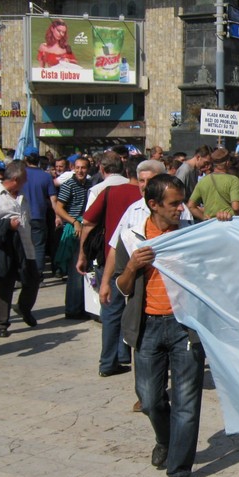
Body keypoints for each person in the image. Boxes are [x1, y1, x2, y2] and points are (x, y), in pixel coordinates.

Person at [115, 174, 220, 477]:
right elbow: (122, 286)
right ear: (153, 204)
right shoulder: (132, 237)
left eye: (182, 202)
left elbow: (215, 265)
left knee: (187, 403)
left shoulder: (189, 234)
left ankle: (180, 467)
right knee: (149, 399)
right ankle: (164, 439)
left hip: (184, 329)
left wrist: (223, 223)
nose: (181, 209)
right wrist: (133, 267)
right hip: (147, 327)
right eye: (174, 204)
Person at [78, 157, 143, 378]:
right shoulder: (150, 197)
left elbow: (88, 222)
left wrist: (82, 255)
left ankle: (108, 361)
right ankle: (124, 354)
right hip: (143, 262)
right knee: (135, 310)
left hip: (111, 259)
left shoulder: (108, 192)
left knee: (111, 310)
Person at [0, 161, 39, 338]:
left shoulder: (22, 195)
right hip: (5, 247)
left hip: (26, 245)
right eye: (24, 178)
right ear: (16, 179)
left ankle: (23, 307)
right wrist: (7, 225)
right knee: (4, 283)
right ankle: (2, 323)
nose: (26, 182)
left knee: (33, 279)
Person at [54, 156, 91, 319]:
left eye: (83, 167)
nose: (80, 171)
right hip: (74, 230)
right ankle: (73, 309)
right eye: (77, 167)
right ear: (73, 168)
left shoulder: (90, 185)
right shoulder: (68, 185)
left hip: (87, 228)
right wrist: (74, 222)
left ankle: (82, 305)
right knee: (75, 269)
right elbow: (59, 208)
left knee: (85, 269)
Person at [22, 147, 57, 286]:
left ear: (25, 159)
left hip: (22, 216)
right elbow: (53, 199)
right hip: (39, 216)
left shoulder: (20, 174)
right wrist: (57, 216)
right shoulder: (46, 176)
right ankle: (38, 276)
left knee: (23, 246)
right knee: (39, 246)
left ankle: (23, 276)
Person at [187, 148, 239, 220]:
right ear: (227, 163)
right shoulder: (233, 180)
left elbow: (191, 206)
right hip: (228, 222)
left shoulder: (203, 181)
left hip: (210, 225)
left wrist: (204, 217)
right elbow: (236, 207)